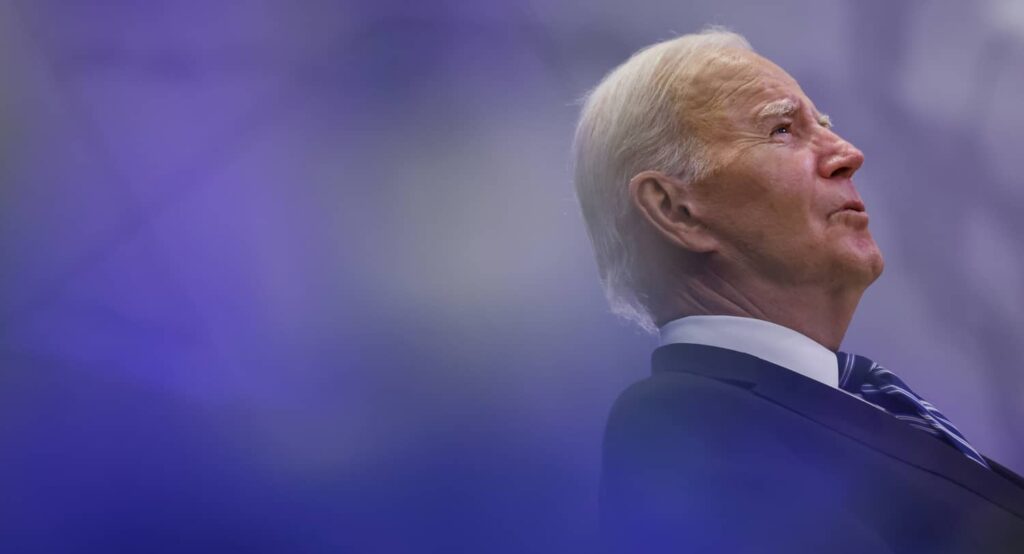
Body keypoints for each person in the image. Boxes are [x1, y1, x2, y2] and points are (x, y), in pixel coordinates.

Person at [572, 28, 1024, 552]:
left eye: (825, 126)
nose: (848, 154)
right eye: (783, 129)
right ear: (676, 211)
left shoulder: (840, 406)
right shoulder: (682, 429)